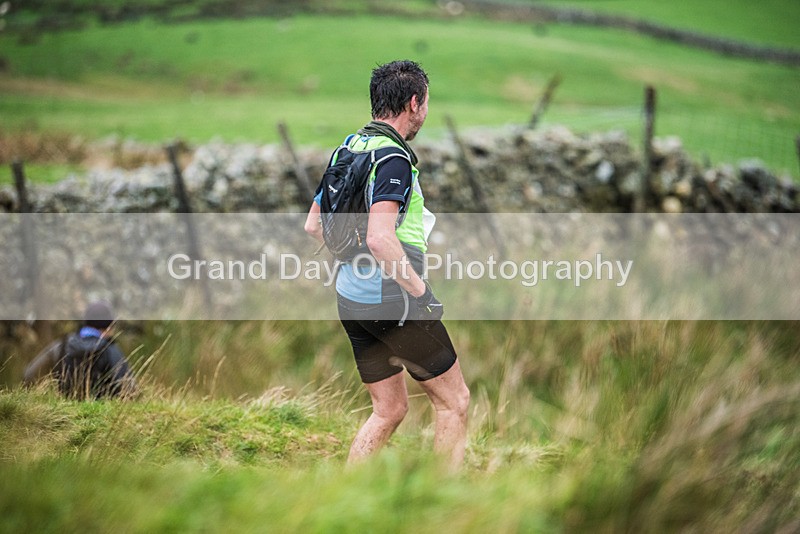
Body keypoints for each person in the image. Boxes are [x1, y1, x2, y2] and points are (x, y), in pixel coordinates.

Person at [304, 60, 470, 470]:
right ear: (414, 103)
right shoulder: (393, 158)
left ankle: (348, 494)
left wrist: (354, 261)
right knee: (454, 402)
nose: (425, 112)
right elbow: (380, 237)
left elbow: (313, 225)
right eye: (426, 103)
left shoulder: (349, 147)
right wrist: (421, 294)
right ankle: (440, 502)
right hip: (393, 300)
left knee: (389, 410)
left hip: (351, 298)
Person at [23, 300, 137, 399]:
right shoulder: (110, 349)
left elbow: (30, 374)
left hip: (65, 414)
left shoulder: (62, 345)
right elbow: (129, 389)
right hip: (102, 418)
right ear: (109, 326)